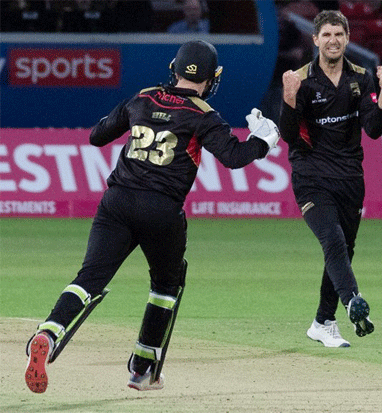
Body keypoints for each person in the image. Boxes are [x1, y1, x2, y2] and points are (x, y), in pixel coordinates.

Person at [24, 40, 279, 393]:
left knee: (90, 278)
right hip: (161, 211)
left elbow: (98, 136)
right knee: (166, 284)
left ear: (174, 68)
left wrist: (125, 116)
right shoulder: (204, 114)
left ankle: (48, 335)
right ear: (212, 78)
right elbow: (234, 157)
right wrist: (265, 140)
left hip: (116, 203)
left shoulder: (142, 98)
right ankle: (144, 370)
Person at [279, 10, 382, 348]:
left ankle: (322, 321)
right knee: (333, 241)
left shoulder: (361, 77)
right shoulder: (300, 80)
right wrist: (288, 100)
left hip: (350, 179)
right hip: (311, 177)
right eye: (326, 35)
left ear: (347, 39)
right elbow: (290, 136)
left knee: (344, 249)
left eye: (338, 35)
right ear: (315, 39)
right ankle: (352, 302)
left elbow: (373, 130)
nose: (333, 41)